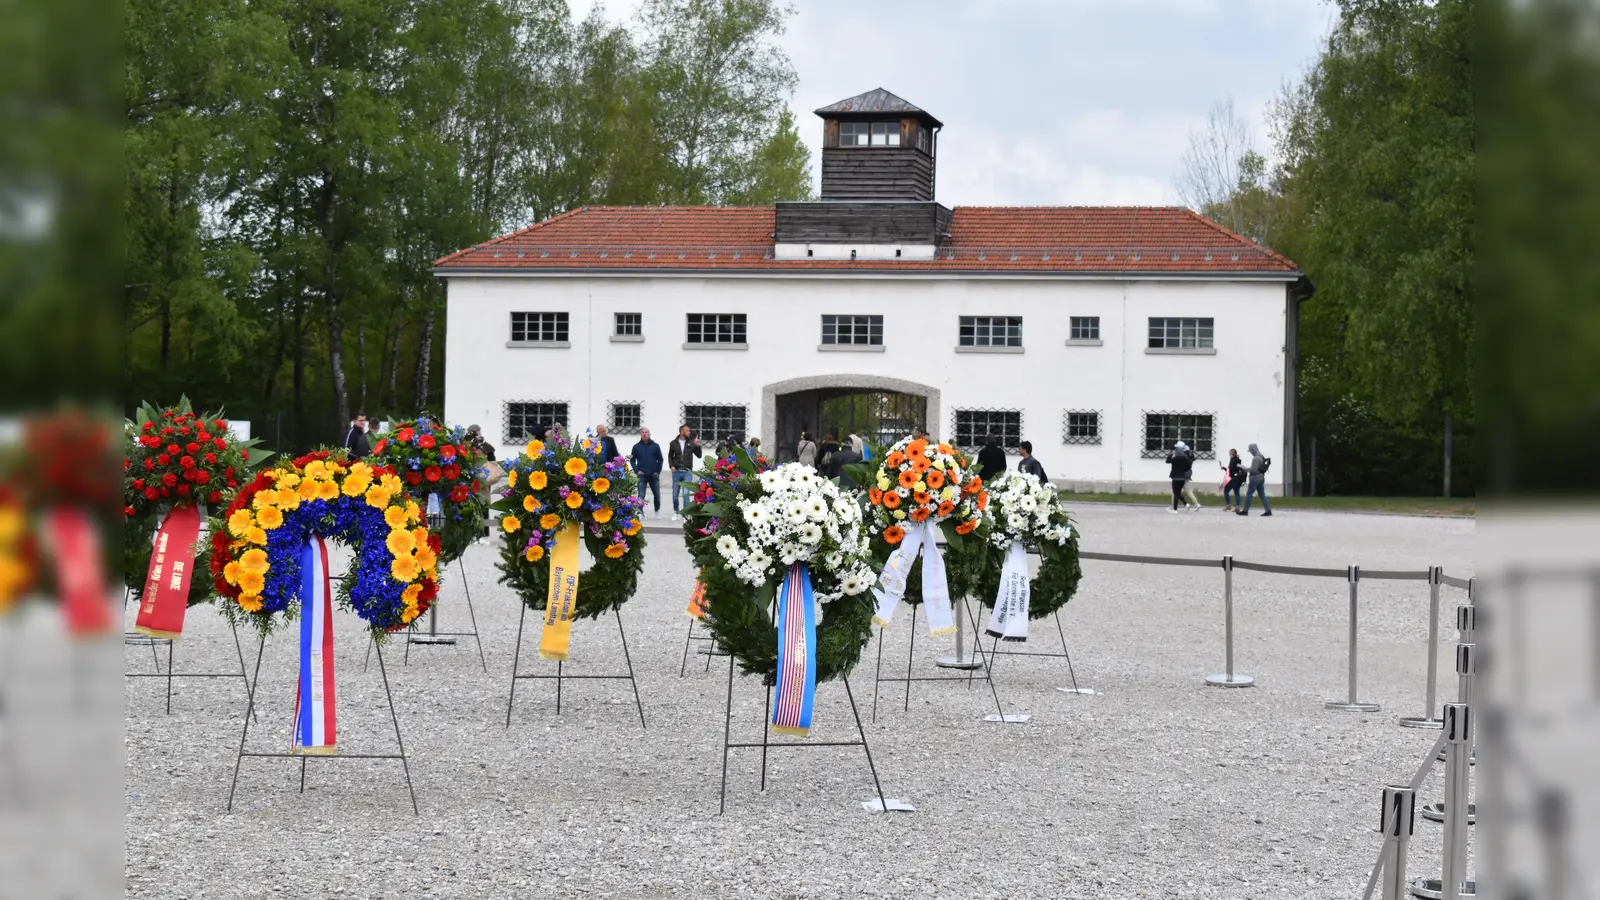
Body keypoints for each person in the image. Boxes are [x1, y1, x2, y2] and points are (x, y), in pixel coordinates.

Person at [668, 425, 702, 520]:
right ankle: (676, 511)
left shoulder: (691, 443)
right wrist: (672, 466)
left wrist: (697, 445)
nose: (689, 433)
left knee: (686, 493)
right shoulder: (673, 443)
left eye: (689, 431)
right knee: (675, 494)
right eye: (687, 431)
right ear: (681, 432)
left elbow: (699, 455)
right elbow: (670, 456)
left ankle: (686, 513)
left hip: (687, 472)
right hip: (677, 472)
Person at [629, 427, 664, 517]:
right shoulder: (636, 447)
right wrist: (637, 471)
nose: (644, 434)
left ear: (649, 434)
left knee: (657, 494)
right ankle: (640, 512)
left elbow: (660, 459)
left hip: (653, 474)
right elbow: (632, 460)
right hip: (642, 475)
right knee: (641, 494)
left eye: (646, 432)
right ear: (641, 434)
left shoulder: (655, 446)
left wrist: (658, 471)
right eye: (643, 432)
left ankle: (657, 511)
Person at [1237, 443, 1273, 517]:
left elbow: (1253, 470)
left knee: (1249, 494)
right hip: (1261, 477)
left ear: (1253, 450)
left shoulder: (1256, 458)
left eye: (1250, 451)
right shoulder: (1261, 456)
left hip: (1255, 478)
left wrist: (1245, 468)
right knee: (1262, 495)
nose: (1250, 452)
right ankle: (1268, 510)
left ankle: (1245, 511)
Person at [1165, 441, 1194, 513]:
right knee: (1177, 493)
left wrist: (1170, 454)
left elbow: (1167, 461)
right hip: (1182, 478)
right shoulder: (1185, 458)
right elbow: (1188, 467)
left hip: (1175, 477)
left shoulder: (1175, 458)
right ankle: (1175, 509)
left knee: (1176, 493)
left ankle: (1185, 503)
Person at [1179, 443, 1203, 510]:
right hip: (1187, 474)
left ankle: (1174, 506)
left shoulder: (1184, 457)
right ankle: (1196, 504)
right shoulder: (1190, 456)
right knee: (1188, 490)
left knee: (1176, 491)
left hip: (1182, 475)